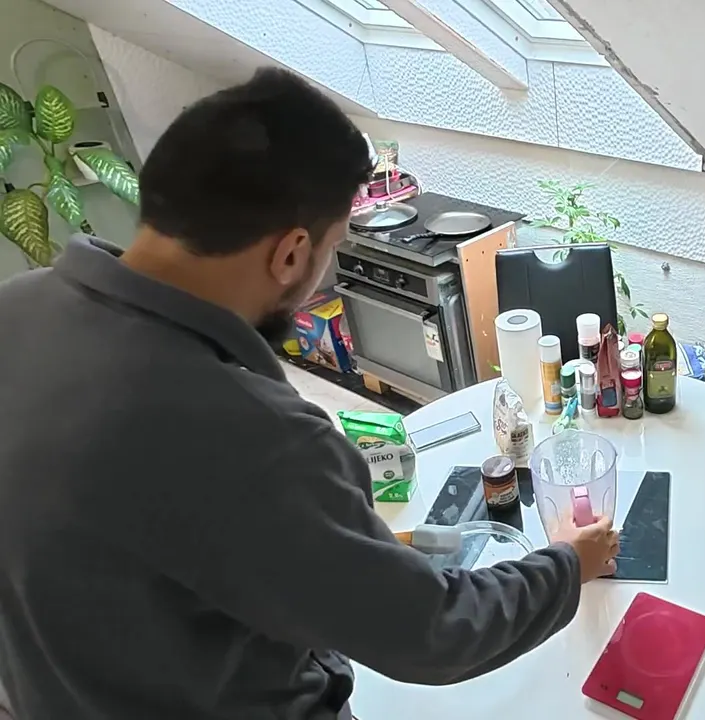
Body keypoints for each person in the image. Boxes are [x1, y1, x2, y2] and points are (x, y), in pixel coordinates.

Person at [0, 68, 619, 720]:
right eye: (332, 248)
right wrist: (567, 564)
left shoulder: (16, 308)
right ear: (292, 253)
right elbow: (434, 630)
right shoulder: (256, 435)